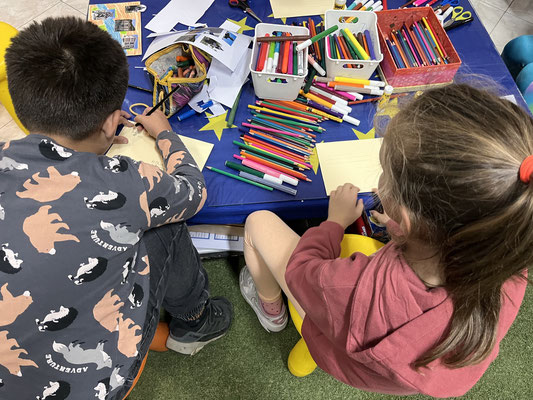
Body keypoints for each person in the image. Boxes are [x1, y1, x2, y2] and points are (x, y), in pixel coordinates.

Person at [240, 84, 532, 397]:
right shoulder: (508, 253)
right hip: (389, 370)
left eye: (386, 173)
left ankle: (272, 312)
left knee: (258, 223)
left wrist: (334, 222)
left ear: (408, 218)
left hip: (337, 346)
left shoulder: (352, 288)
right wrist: (400, 229)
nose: (382, 180)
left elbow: (300, 272)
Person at [0, 17, 232, 399]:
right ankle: (195, 322)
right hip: (98, 381)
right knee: (166, 222)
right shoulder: (125, 180)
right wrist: (164, 133)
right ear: (112, 123)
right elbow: (193, 192)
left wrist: (92, 142)